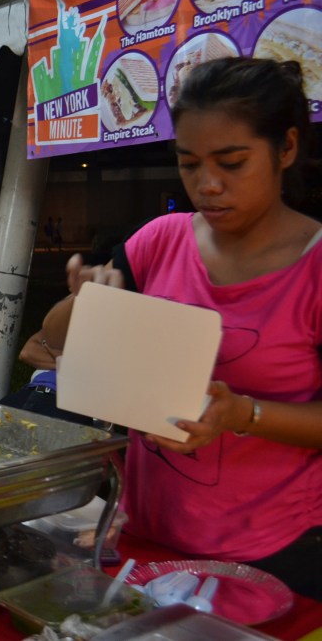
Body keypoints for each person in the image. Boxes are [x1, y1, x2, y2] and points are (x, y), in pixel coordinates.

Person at [42, 57, 322, 599]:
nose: (207, 184)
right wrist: (90, 300)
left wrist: (244, 414)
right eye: (189, 163)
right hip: (150, 537)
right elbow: (55, 336)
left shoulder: (313, 265)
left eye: (232, 162)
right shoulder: (161, 240)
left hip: (275, 553)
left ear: (285, 148)